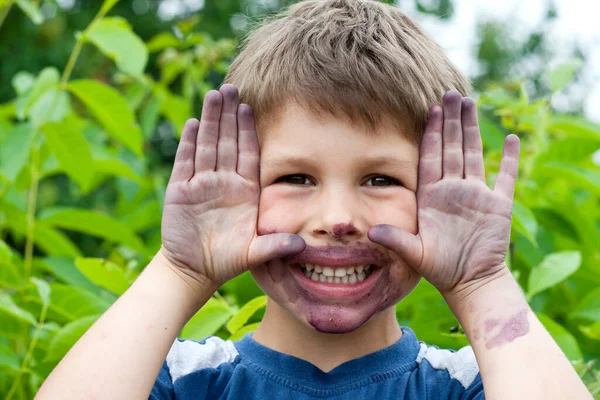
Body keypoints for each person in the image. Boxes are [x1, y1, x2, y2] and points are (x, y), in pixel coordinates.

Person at [36, 0, 592, 399]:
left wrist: (481, 283)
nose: (337, 220)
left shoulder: (470, 385)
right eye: (296, 178)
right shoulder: (181, 380)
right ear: (241, 187)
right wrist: (181, 268)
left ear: (435, 195)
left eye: (381, 180)